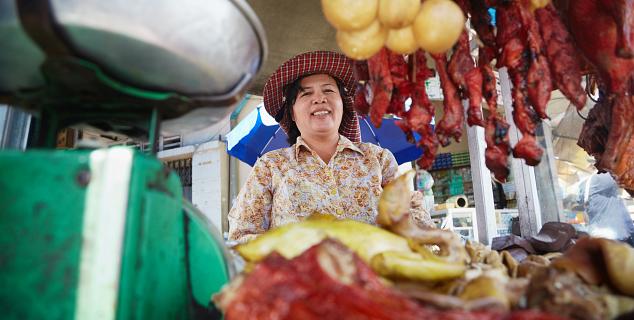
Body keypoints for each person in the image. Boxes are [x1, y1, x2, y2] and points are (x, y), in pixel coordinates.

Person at [228, 51, 434, 243]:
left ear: (344, 105)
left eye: (328, 90)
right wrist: (288, 248)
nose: (319, 98)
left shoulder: (378, 159)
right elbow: (241, 236)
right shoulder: (271, 166)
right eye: (306, 94)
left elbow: (416, 216)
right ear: (291, 112)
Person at [581, 172, 634, 246]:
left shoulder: (590, 190)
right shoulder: (599, 179)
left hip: (608, 237)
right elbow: (622, 177)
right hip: (615, 239)